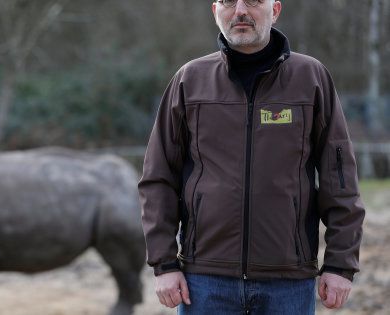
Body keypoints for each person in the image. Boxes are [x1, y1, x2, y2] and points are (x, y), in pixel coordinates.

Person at [138, 0, 366, 314]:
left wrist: (340, 265)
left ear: (275, 10)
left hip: (288, 280)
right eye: (229, 2)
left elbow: (339, 178)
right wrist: (164, 264)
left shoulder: (311, 78)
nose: (240, 10)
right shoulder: (189, 80)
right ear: (215, 10)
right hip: (205, 281)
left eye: (254, 1)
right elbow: (158, 178)